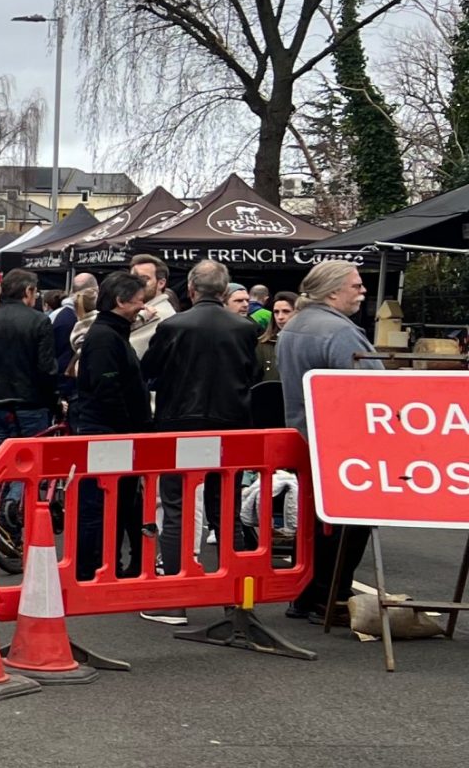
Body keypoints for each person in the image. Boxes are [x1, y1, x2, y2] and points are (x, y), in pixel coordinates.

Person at [142, 258, 259, 617]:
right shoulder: (244, 328)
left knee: (176, 506)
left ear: (190, 290)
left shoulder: (173, 325)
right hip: (230, 423)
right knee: (226, 508)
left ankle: (176, 599)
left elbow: (151, 371)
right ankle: (235, 596)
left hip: (179, 422)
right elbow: (249, 373)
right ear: (225, 292)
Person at [278, 259, 381, 623]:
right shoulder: (339, 332)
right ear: (334, 290)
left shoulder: (295, 326)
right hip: (342, 441)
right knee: (348, 523)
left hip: (306, 435)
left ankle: (309, 594)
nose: (362, 291)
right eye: (356, 285)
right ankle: (331, 595)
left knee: (317, 523)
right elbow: (372, 388)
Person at [71, 271, 154, 581]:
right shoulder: (106, 337)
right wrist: (129, 429)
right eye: (139, 302)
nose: (142, 308)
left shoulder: (111, 333)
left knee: (114, 504)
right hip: (107, 434)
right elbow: (108, 388)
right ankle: (92, 567)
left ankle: (104, 564)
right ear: (121, 301)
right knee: (99, 506)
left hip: (111, 432)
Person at [0, 268, 59, 457]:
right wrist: (53, 401)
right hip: (31, 403)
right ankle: (16, 488)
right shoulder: (39, 321)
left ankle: (3, 488)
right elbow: (46, 368)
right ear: (28, 291)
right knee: (27, 465)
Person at [51, 271, 97, 380]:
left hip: (65, 380)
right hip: (76, 382)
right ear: (96, 290)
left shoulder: (57, 315)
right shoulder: (100, 322)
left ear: (72, 291)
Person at [128, 253, 175, 356]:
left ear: (161, 283)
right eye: (132, 279)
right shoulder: (141, 310)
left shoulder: (159, 316)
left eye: (144, 279)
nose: (136, 284)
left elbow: (122, 355)